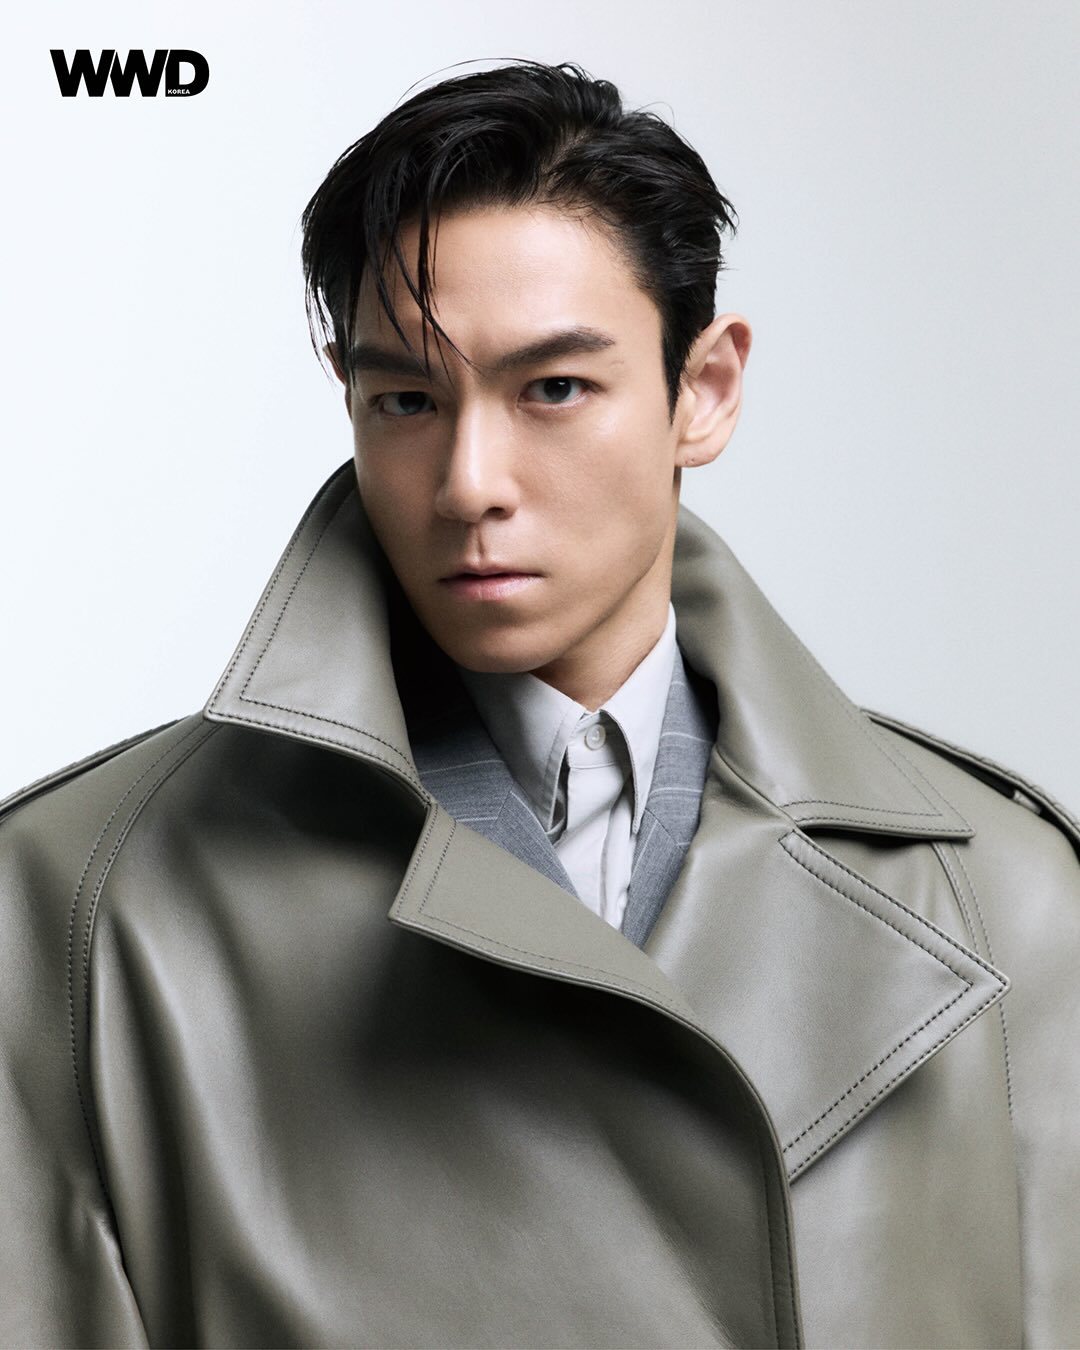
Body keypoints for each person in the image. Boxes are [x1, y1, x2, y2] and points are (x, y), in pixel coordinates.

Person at [1, 59, 1077, 1350]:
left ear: (703, 392)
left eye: (554, 389)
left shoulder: (1003, 897)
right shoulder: (77, 909)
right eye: (406, 399)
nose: (469, 482)